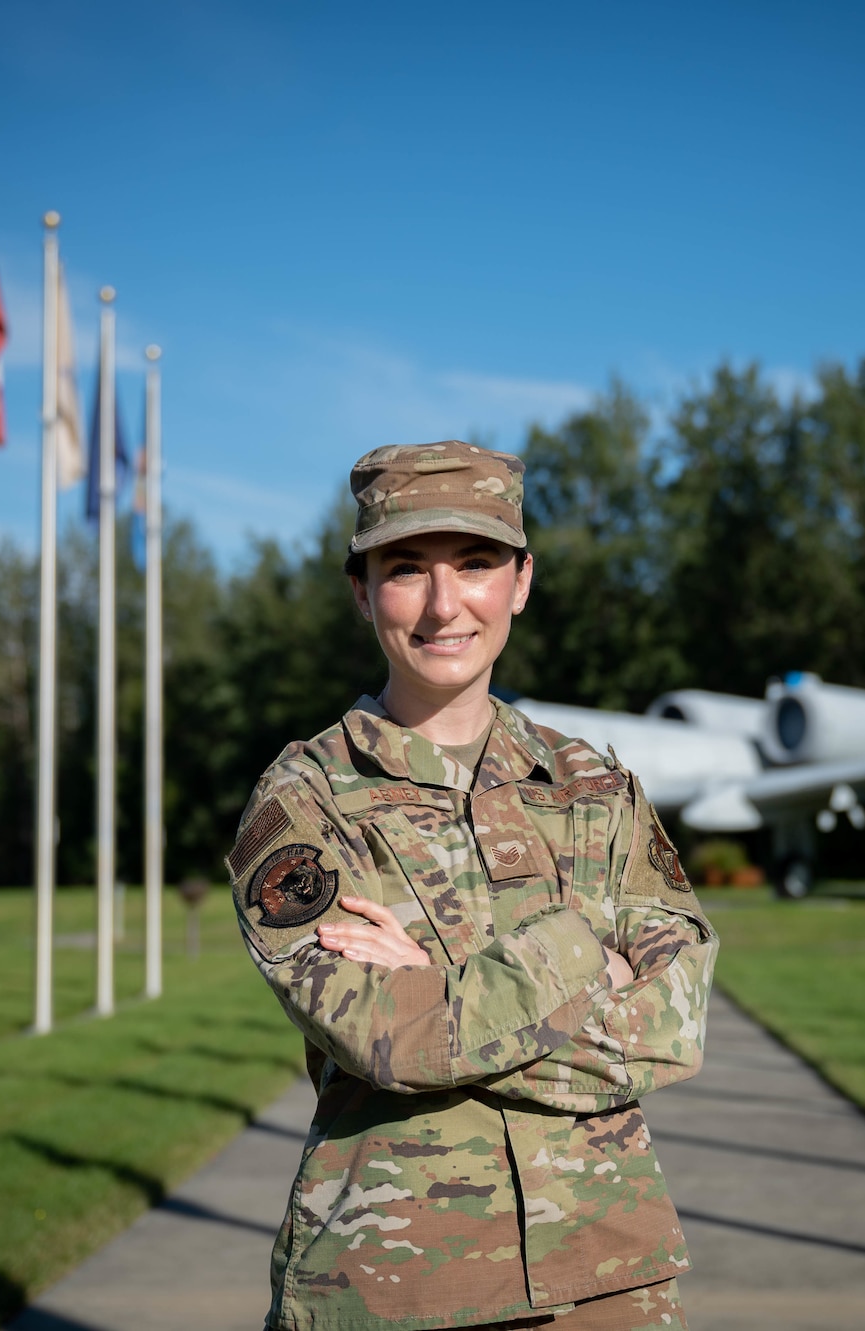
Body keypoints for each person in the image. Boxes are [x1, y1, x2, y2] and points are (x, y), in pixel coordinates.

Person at [226, 441, 718, 1331]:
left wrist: (445, 986)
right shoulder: (303, 803)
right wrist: (586, 954)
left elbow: (675, 1026)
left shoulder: (593, 787)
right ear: (362, 591)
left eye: (477, 563)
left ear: (521, 581)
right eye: (406, 569)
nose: (445, 604)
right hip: (393, 1291)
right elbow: (389, 1038)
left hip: (610, 1281)